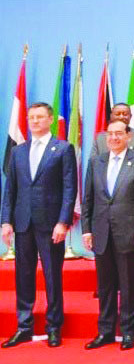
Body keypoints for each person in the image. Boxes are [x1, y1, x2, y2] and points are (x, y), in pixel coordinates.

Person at [1, 102, 77, 348]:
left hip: (51, 224)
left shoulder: (63, 149)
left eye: (40, 117)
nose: (34, 121)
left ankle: (54, 327)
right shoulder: (18, 151)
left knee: (52, 276)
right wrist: (6, 221)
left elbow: (69, 189)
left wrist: (63, 222)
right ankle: (24, 326)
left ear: (50, 119)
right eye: (31, 117)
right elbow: (10, 189)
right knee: (23, 277)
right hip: (23, 223)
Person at [82, 118, 134, 350]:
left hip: (129, 232)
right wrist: (86, 230)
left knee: (129, 285)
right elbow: (88, 200)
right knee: (105, 287)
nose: (113, 138)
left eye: (118, 133)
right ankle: (105, 332)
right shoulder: (96, 162)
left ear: (128, 136)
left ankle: (129, 332)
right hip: (101, 232)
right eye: (110, 133)